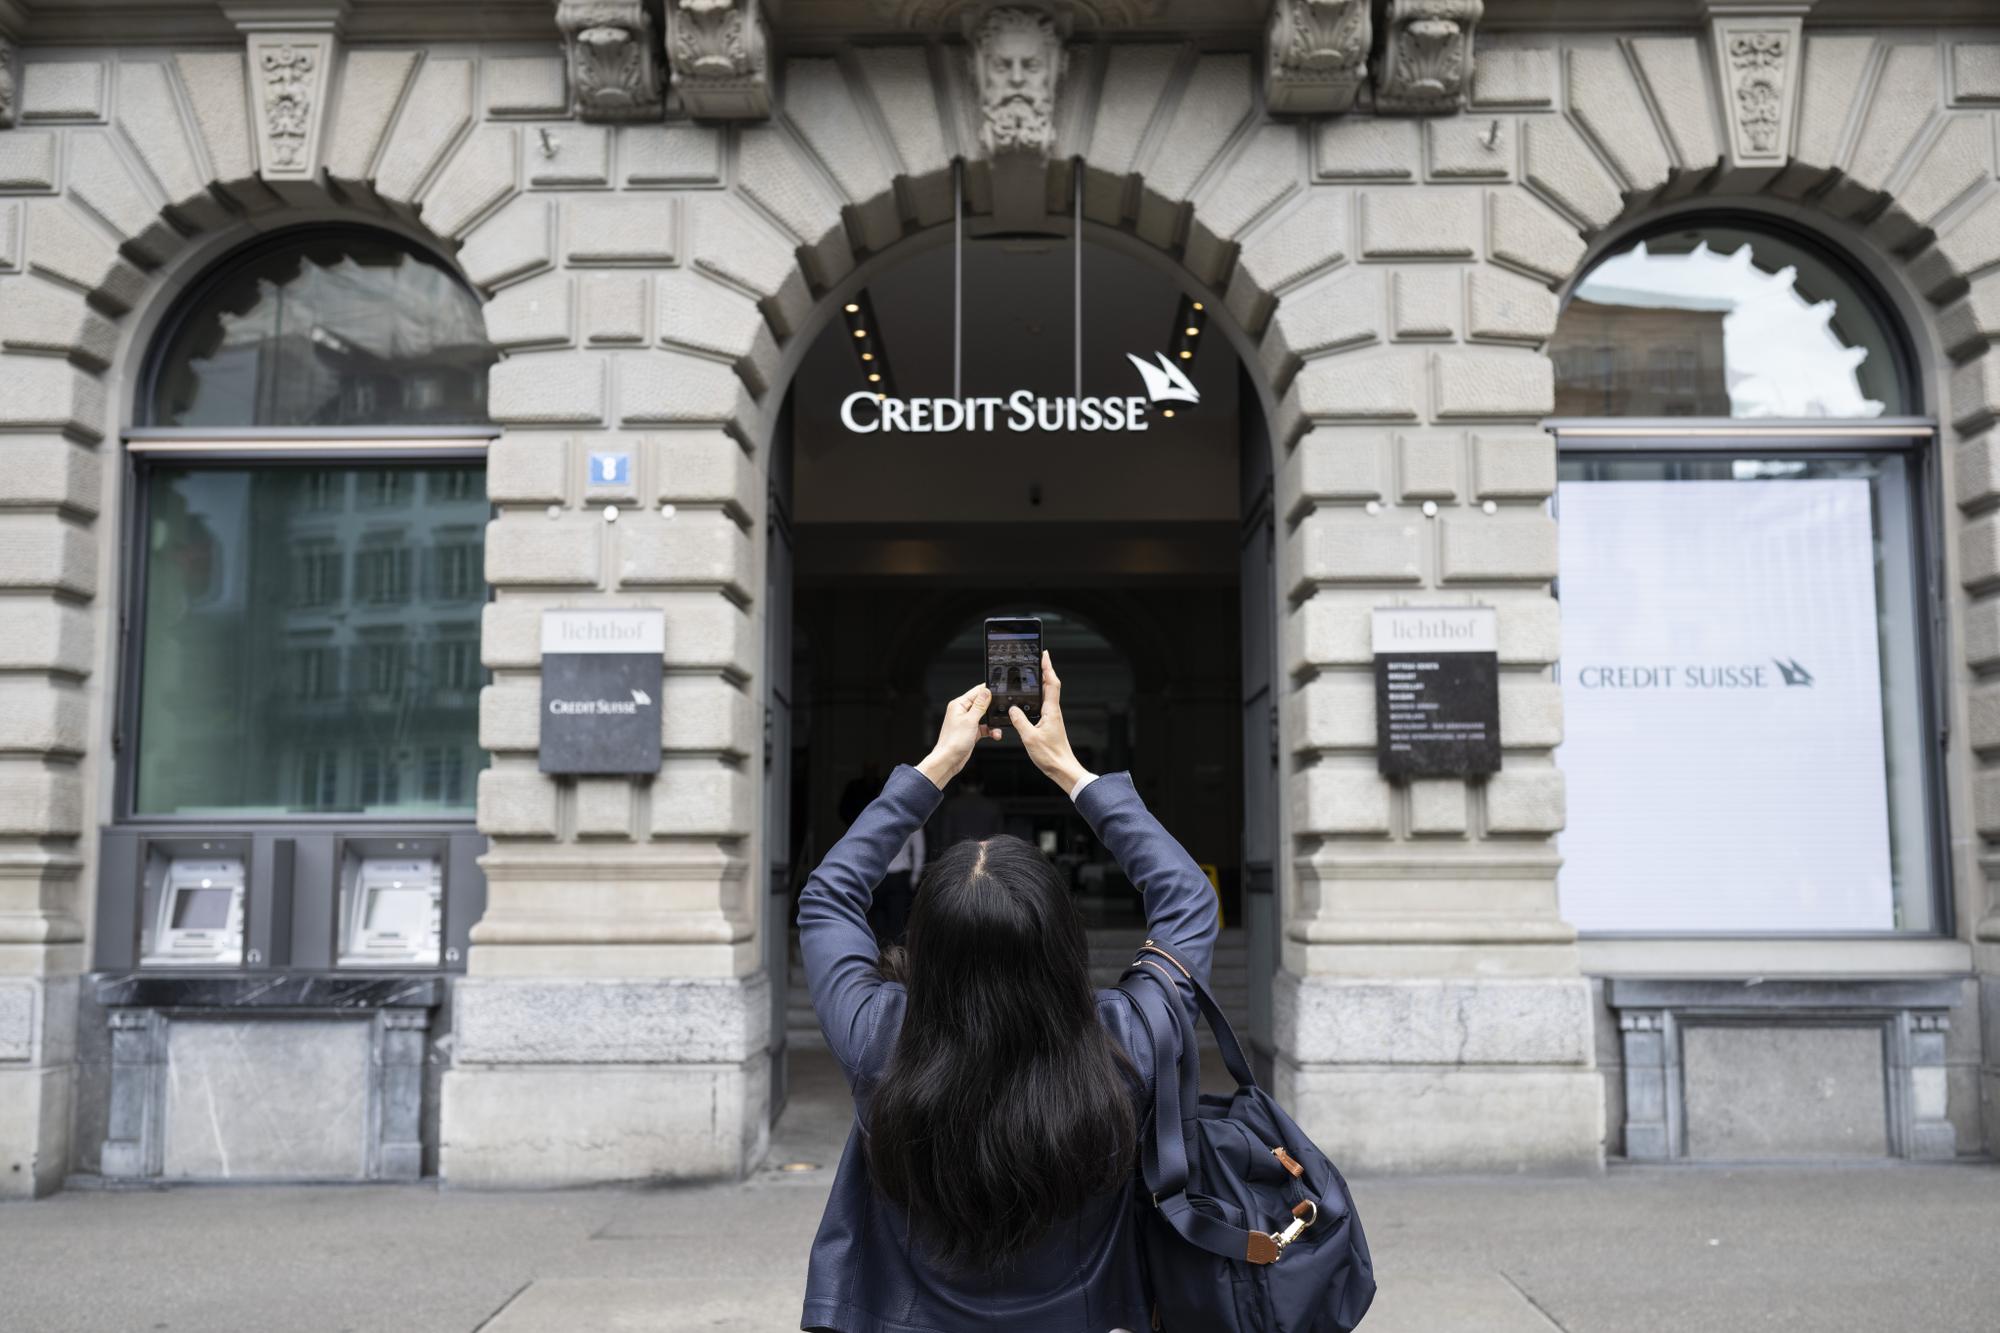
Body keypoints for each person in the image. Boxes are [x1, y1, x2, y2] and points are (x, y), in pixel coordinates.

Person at [797, 651, 1219, 1333]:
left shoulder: (879, 1035)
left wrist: (935, 766)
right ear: (1062, 942)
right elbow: (1189, 901)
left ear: (926, 943)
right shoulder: (1128, 1040)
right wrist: (1071, 772)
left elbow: (827, 898)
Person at [934, 770, 1003, 847]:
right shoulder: (993, 807)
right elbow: (999, 838)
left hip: (958, 853)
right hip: (986, 853)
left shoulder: (951, 806)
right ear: (982, 785)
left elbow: (945, 837)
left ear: (961, 785)